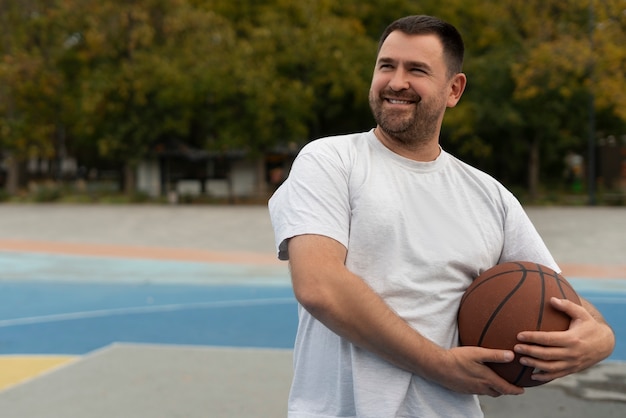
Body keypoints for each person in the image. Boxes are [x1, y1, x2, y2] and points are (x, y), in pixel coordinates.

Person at [268, 15, 615, 418]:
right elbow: (318, 285)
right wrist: (440, 365)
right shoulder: (331, 160)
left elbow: (558, 298)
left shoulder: (489, 196)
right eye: (386, 66)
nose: (397, 81)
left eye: (416, 70)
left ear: (454, 89)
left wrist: (600, 339)